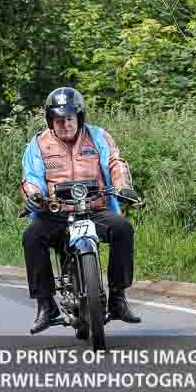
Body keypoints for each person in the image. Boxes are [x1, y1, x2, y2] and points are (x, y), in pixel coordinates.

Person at [20, 87, 142, 334]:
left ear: (79, 117)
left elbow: (115, 162)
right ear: (50, 120)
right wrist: (33, 195)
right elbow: (31, 176)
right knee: (32, 236)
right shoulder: (38, 144)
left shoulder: (98, 137)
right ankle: (46, 305)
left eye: (69, 119)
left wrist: (123, 187)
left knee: (123, 229)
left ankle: (118, 298)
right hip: (56, 212)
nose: (65, 124)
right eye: (59, 119)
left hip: (95, 207)